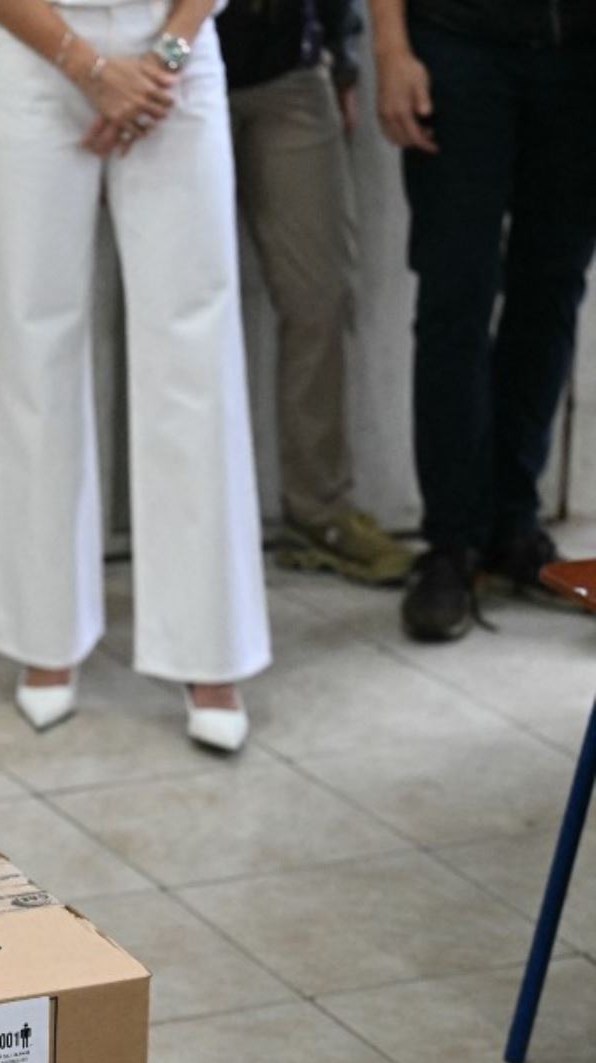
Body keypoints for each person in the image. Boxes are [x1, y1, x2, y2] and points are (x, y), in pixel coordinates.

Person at [0, 0, 272, 752]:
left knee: (194, 341)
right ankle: (46, 631)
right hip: (35, 54)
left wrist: (161, 61)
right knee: (35, 339)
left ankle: (211, 650)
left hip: (177, 59)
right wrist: (89, 69)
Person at [370, 0, 596, 642]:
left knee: (553, 287)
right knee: (455, 291)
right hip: (457, 46)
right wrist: (391, 49)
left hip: (580, 58)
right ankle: (452, 544)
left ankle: (513, 526)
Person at [220, 0, 414, 586]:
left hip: (290, 73)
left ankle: (319, 512)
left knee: (319, 298)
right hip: (172, 71)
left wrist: (343, 58)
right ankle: (182, 518)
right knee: (179, 309)